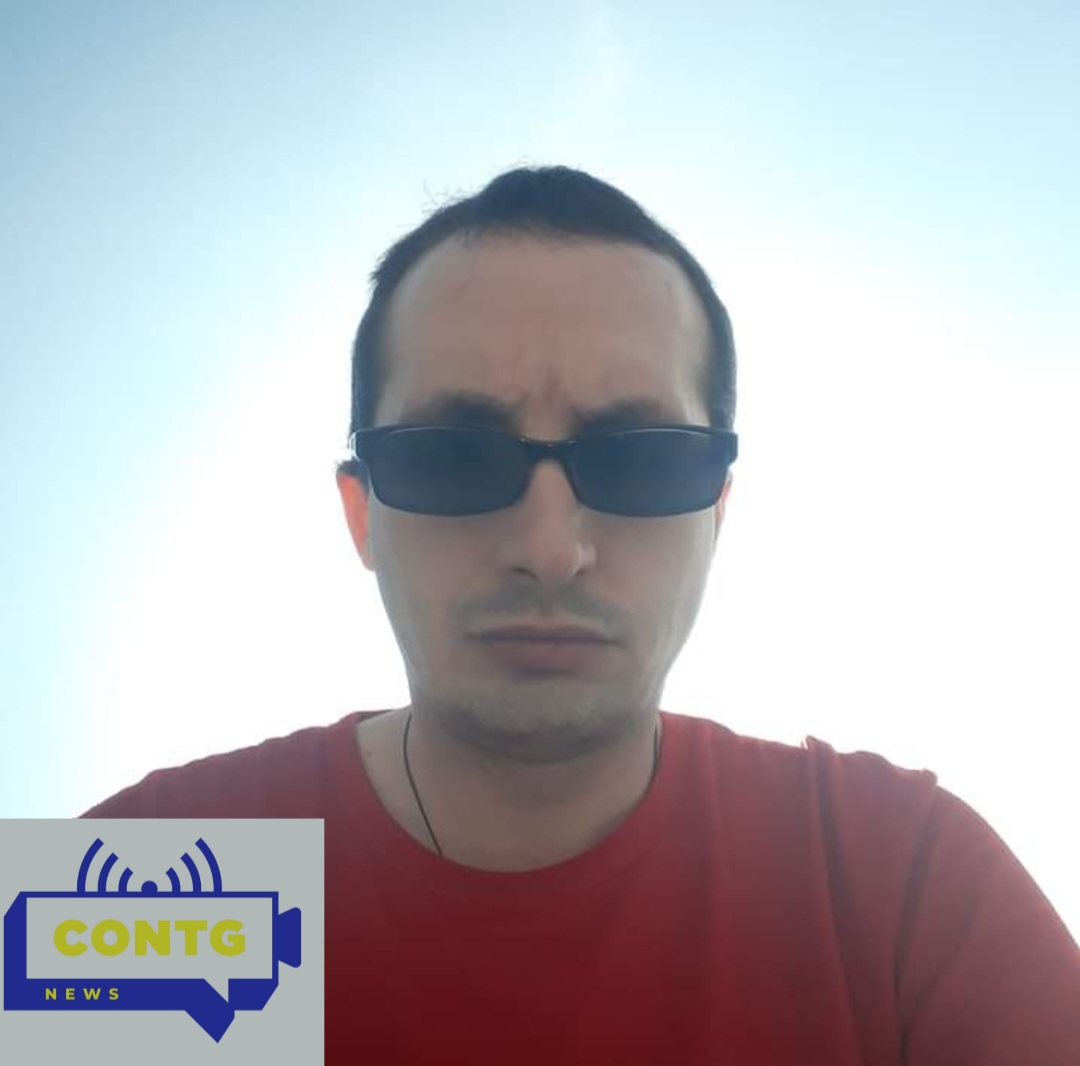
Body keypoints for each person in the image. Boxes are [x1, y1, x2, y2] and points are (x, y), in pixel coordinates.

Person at [85, 166, 1080, 1064]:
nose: (551, 548)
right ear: (362, 516)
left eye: (643, 461)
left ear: (716, 514)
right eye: (451, 456)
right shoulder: (172, 876)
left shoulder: (886, 875)